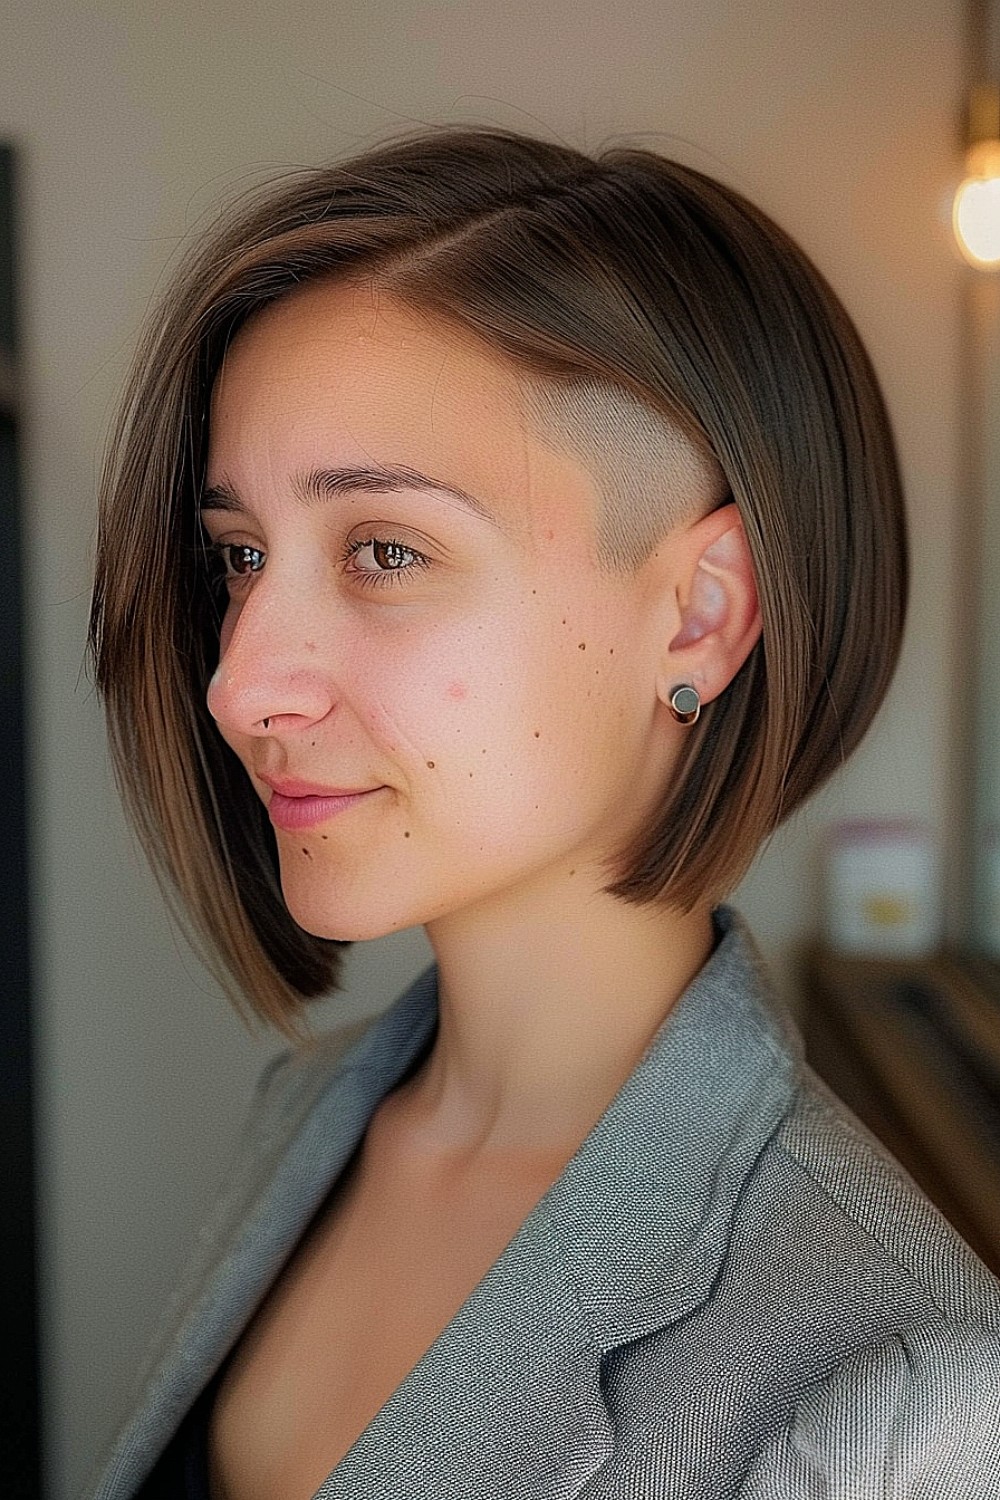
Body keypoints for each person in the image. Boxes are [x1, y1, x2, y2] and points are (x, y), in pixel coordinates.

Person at [84, 123, 1000, 1500]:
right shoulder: (309, 1114)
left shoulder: (896, 1382)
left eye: (386, 550)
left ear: (700, 613)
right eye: (243, 558)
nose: (240, 683)